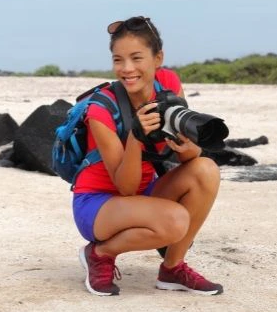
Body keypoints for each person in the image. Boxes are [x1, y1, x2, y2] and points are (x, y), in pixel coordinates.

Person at [72, 16, 223, 296]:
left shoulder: (167, 83)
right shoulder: (100, 109)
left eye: (136, 58)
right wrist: (135, 135)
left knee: (206, 170)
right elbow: (125, 188)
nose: (127, 69)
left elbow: (190, 157)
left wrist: (185, 145)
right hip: (98, 203)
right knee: (175, 220)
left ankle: (172, 269)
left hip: (144, 193)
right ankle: (99, 253)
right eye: (118, 60)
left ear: (158, 58)